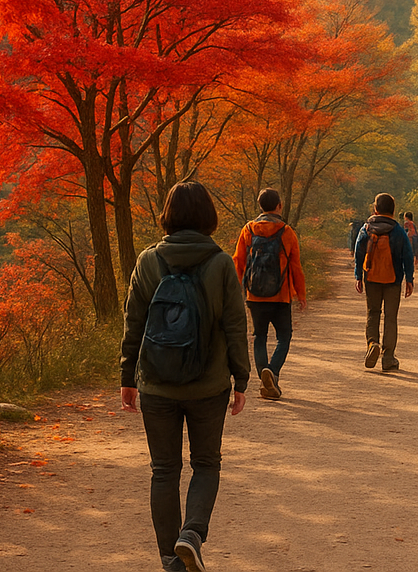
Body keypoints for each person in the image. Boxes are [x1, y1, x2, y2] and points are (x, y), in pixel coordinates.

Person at [120, 180, 250, 572]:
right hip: (208, 385)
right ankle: (190, 534)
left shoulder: (147, 261)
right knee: (206, 463)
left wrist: (127, 375)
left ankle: (169, 562)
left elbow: (134, 322)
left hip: (156, 382)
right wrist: (241, 380)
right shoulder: (221, 262)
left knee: (164, 470)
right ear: (207, 216)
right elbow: (235, 325)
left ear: (169, 214)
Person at [232, 188, 307, 400]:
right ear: (279, 206)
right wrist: (301, 294)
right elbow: (296, 267)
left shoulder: (248, 229)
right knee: (284, 336)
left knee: (259, 337)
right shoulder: (287, 232)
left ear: (260, 206)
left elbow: (238, 261)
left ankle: (264, 375)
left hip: (254, 295)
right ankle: (272, 373)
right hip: (281, 296)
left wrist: (234, 290)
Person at [353, 192, 414, 371]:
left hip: (371, 277)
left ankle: (372, 344)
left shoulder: (366, 229)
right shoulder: (398, 230)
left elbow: (358, 253)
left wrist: (358, 275)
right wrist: (409, 279)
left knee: (373, 312)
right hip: (393, 279)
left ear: (375, 209)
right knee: (390, 316)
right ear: (393, 210)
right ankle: (388, 357)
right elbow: (407, 256)